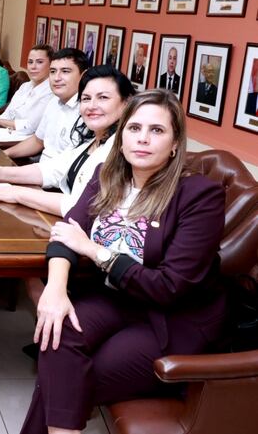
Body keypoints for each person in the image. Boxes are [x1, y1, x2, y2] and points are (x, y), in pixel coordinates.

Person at [19, 89, 226, 434]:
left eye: (157, 131)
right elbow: (68, 234)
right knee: (56, 334)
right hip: (116, 298)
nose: (143, 139)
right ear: (122, 135)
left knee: (70, 375)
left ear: (176, 144)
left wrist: (97, 252)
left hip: (171, 316)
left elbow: (168, 288)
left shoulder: (199, 195)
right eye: (134, 128)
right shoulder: (106, 176)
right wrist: (54, 292)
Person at [0, 65, 136, 216]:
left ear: (126, 102)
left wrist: (16, 193)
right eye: (86, 98)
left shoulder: (124, 148)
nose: (92, 106)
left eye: (103, 98)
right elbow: (52, 170)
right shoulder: (90, 139)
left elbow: (84, 205)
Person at [4, 48, 88, 162]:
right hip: (38, 170)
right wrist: (4, 154)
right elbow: (38, 141)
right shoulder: (54, 102)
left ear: (83, 75)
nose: (57, 78)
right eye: (53, 71)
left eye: (65, 71)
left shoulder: (88, 111)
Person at [0, 44, 54, 138]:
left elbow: (30, 126)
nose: (33, 67)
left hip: (20, 141)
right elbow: (8, 113)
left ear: (51, 65)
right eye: (30, 62)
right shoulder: (25, 86)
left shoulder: (51, 92)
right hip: (2, 133)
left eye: (39, 62)